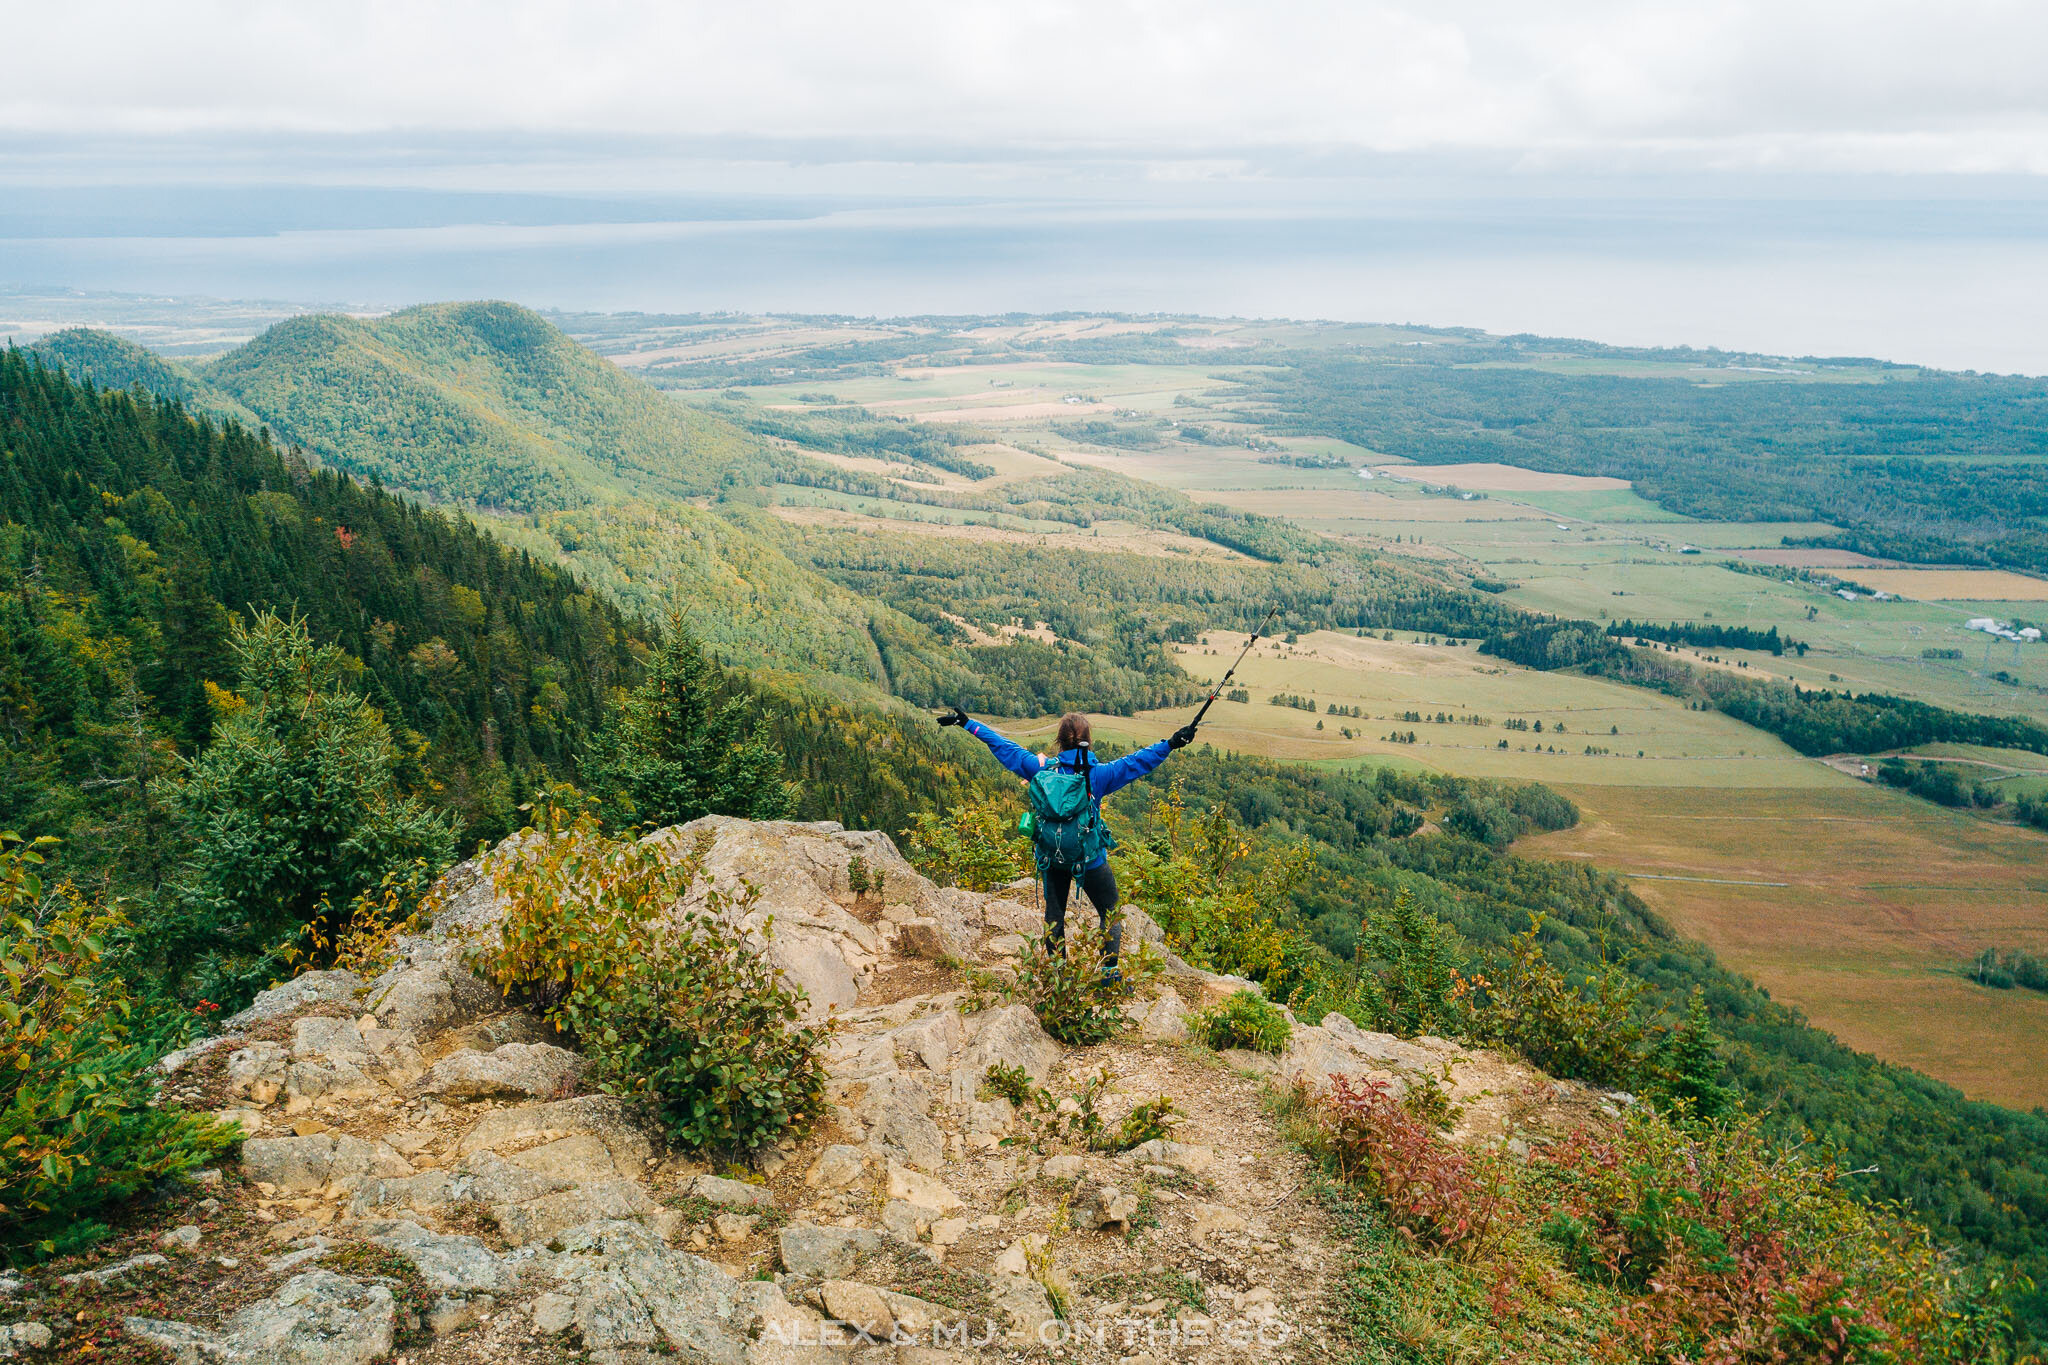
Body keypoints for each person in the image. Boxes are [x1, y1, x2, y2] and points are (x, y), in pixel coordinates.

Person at [940, 708, 1197, 979]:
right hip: (1089, 859)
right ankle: (1108, 976)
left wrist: (968, 724)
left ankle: (1058, 976)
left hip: (1051, 856)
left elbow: (1004, 747)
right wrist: (1171, 744)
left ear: (1059, 741)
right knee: (1110, 912)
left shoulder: (1039, 769)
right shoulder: (1098, 775)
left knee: (1055, 915)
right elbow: (1138, 762)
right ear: (1088, 740)